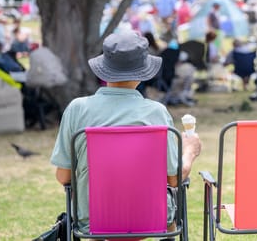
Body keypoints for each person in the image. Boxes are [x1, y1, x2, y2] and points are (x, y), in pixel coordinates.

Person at [50, 31, 202, 233]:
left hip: (93, 221)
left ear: (104, 69)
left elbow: (63, 176)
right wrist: (190, 151)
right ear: (143, 71)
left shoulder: (77, 109)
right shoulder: (156, 113)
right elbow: (174, 179)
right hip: (152, 218)